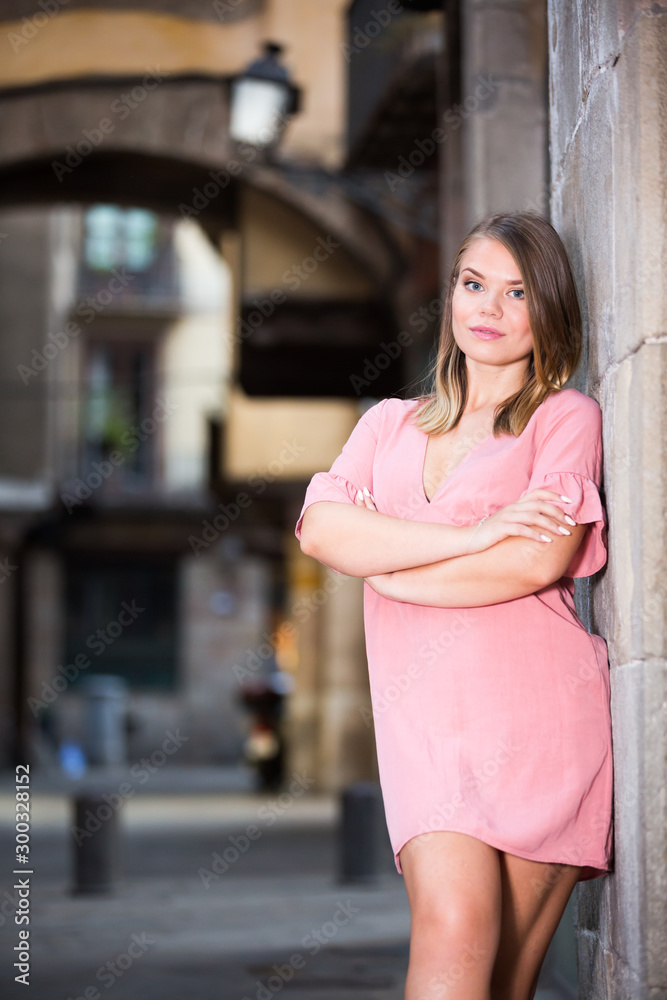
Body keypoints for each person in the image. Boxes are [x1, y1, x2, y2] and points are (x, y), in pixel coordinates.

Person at [294, 211, 613, 1000]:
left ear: (550, 313)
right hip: (424, 729)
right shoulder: (386, 425)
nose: (489, 309)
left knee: (502, 984)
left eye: (516, 293)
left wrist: (393, 562)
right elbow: (323, 531)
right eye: (474, 284)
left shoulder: (563, 419)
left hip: (542, 720)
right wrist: (481, 533)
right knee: (451, 927)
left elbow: (537, 559)